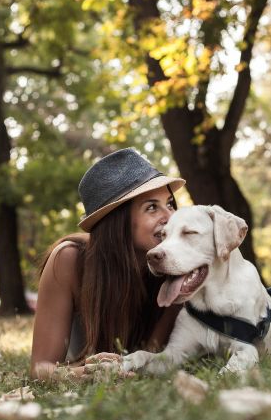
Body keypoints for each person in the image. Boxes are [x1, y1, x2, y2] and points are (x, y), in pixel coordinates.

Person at [30, 148, 186, 380]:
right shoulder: (69, 260)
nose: (170, 216)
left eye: (170, 204)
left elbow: (154, 355)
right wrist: (84, 374)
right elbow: (40, 368)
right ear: (118, 221)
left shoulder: (179, 263)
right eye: (152, 207)